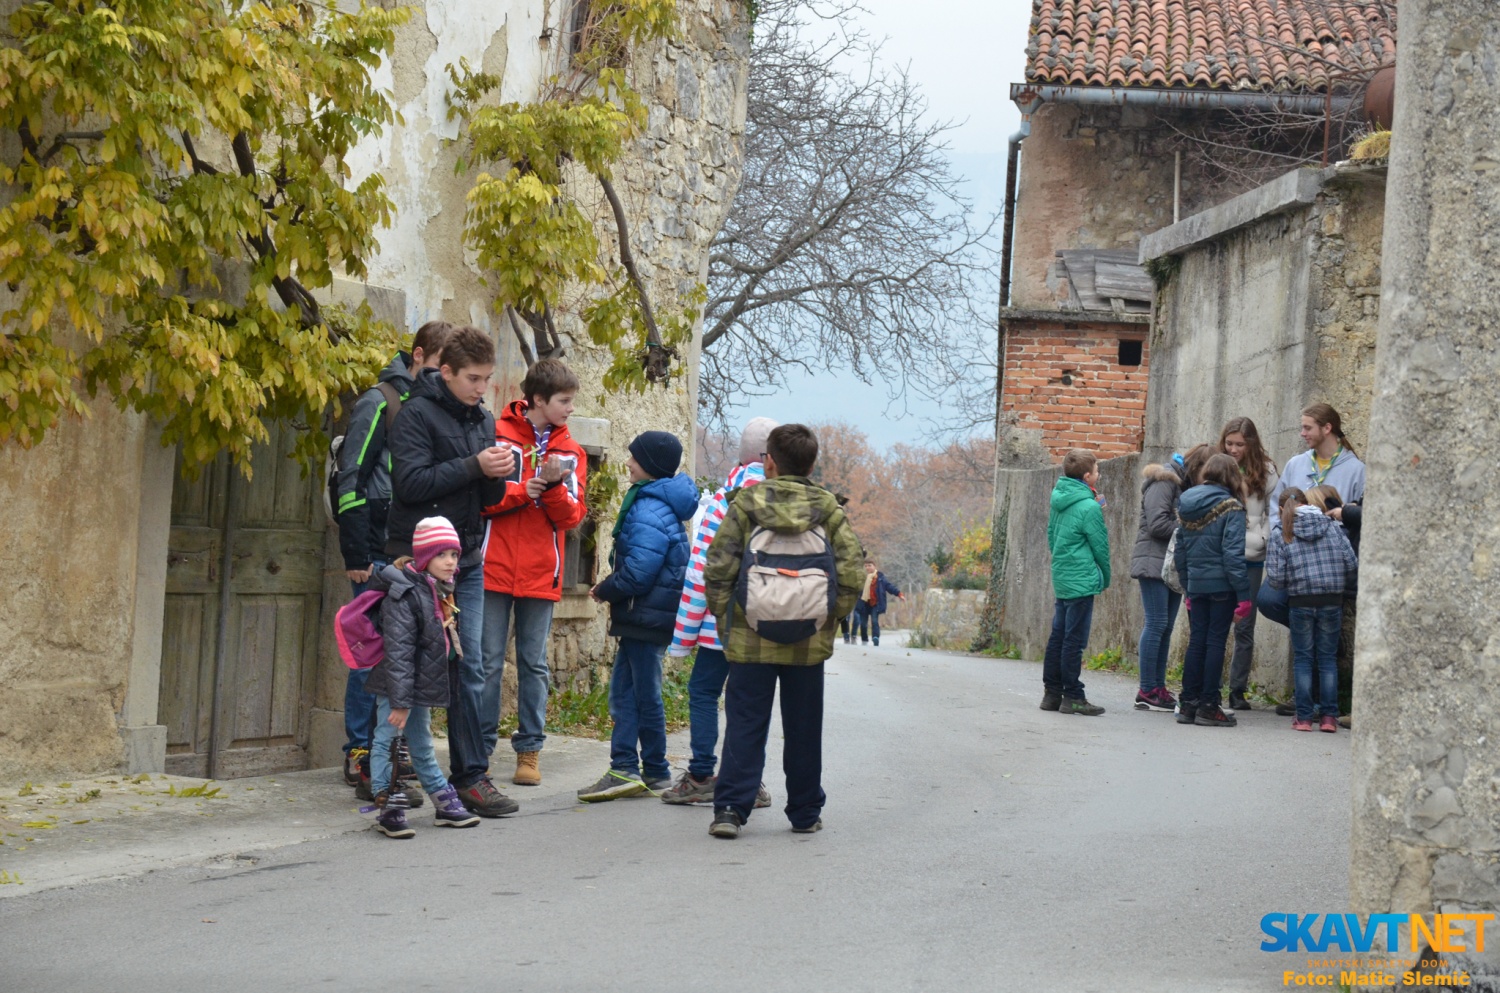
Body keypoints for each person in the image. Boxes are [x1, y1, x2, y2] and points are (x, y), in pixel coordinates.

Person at [702, 424, 864, 838]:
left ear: (768, 461)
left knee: (744, 725)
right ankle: (805, 812)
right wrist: (826, 618)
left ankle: (730, 812)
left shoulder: (744, 505)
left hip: (748, 640)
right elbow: (850, 574)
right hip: (808, 643)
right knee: (804, 727)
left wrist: (729, 621)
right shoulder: (828, 509)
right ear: (812, 464)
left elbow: (719, 568)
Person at [385, 325, 517, 817]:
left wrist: (497, 474)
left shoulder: (483, 420)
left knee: (473, 665)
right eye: (474, 379)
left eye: (487, 379)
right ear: (446, 372)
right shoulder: (415, 413)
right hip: (417, 566)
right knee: (408, 668)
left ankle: (471, 777)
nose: (483, 389)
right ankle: (393, 775)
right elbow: (411, 484)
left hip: (467, 561)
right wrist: (473, 466)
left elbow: (486, 498)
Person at [335, 320, 452, 796]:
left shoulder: (432, 408)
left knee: (405, 654)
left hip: (411, 552)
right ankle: (360, 753)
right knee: (371, 654)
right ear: (419, 356)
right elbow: (352, 478)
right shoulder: (379, 401)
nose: (444, 376)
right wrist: (357, 550)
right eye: (440, 365)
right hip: (375, 552)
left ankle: (393, 751)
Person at [478, 358, 588, 788]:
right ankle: (480, 751)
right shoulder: (497, 437)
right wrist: (524, 491)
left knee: (533, 664)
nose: (570, 409)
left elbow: (572, 518)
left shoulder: (571, 452)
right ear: (538, 400)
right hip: (493, 568)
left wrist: (555, 488)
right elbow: (481, 500)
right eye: (564, 401)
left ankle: (529, 751)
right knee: (485, 664)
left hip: (542, 574)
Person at [660, 417, 778, 806]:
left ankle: (701, 774)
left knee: (704, 692)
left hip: (720, 625)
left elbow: (700, 574)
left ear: (743, 457)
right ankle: (750, 781)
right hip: (770, 622)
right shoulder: (785, 500)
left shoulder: (724, 502)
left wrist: (683, 638)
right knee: (750, 703)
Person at [578, 431, 699, 802]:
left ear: (650, 466)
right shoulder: (658, 502)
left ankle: (631, 769)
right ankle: (646, 769)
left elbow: (640, 572)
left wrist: (605, 589)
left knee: (636, 694)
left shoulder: (648, 508)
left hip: (644, 615)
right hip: (650, 616)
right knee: (633, 693)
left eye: (634, 458)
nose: (628, 463)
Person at [365, 517, 484, 838]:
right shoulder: (404, 594)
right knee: (386, 741)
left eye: (454, 555)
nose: (450, 562)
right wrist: (400, 702)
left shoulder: (439, 590)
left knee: (422, 743)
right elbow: (399, 652)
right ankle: (387, 802)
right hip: (396, 684)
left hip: (416, 684)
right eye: (442, 555)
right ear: (424, 558)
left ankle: (442, 801)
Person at [1264, 488, 1357, 733]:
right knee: (1327, 659)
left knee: (1304, 659)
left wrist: (1292, 582)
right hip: (1331, 600)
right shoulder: (1332, 527)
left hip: (1300, 601)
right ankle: (1329, 718)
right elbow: (1351, 563)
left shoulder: (1282, 532)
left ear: (1283, 509)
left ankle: (1304, 717)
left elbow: (1275, 578)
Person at [1173, 454, 1253, 728]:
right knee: (1215, 643)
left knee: (1197, 642)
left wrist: (1187, 587)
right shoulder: (1231, 506)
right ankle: (1209, 705)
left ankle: (1188, 704)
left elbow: (1180, 552)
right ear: (1232, 477)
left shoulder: (1186, 502)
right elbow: (1233, 556)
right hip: (1221, 586)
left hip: (1196, 584)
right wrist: (1243, 596)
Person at [1041, 449, 1111, 717]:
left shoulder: (1058, 500)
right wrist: (1104, 575)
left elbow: (1051, 534)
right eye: (1096, 470)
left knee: (1058, 635)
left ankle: (1051, 693)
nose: (1099, 474)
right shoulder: (1089, 506)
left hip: (1062, 575)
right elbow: (1100, 546)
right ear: (1087, 476)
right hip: (1082, 578)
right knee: (1074, 640)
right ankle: (1074, 695)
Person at [1219, 417, 1278, 711]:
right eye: (1229, 443)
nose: (1233, 449)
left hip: (1252, 557)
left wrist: (1263, 540)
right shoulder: (1218, 466)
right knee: (1216, 623)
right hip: (1221, 556)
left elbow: (1274, 511)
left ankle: (1237, 690)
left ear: (1251, 444)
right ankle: (1211, 687)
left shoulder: (1266, 471)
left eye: (1239, 444)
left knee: (1245, 626)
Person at [1128, 452, 1188, 712]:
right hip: (1153, 562)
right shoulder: (1164, 481)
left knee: (1165, 626)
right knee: (1156, 623)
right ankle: (1146, 689)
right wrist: (1190, 526)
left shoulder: (1179, 484)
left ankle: (1157, 687)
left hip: (1170, 565)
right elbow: (1157, 524)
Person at [1270, 403, 1365, 509]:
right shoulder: (1294, 465)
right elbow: (1275, 507)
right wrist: (1279, 526)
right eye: (1303, 428)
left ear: (1327, 428)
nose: (1302, 433)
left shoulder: (1357, 470)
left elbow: (1361, 515)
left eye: (1308, 428)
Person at [851, 560, 904, 647]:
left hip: (875, 603)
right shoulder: (862, 578)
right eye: (866, 566)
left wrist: (899, 594)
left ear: (874, 566)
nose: (867, 567)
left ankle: (876, 638)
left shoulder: (880, 578)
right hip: (864, 603)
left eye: (869, 565)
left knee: (874, 621)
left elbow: (889, 587)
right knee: (863, 624)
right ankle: (864, 640)